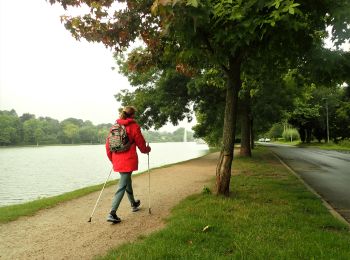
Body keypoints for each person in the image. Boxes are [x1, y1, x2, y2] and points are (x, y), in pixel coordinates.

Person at [105, 106, 151, 223]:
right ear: (133, 115)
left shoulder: (114, 127)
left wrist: (113, 160)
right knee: (122, 185)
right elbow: (141, 144)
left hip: (117, 159)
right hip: (128, 160)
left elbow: (108, 146)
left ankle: (133, 203)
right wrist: (147, 150)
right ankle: (112, 213)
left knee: (126, 180)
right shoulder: (134, 126)